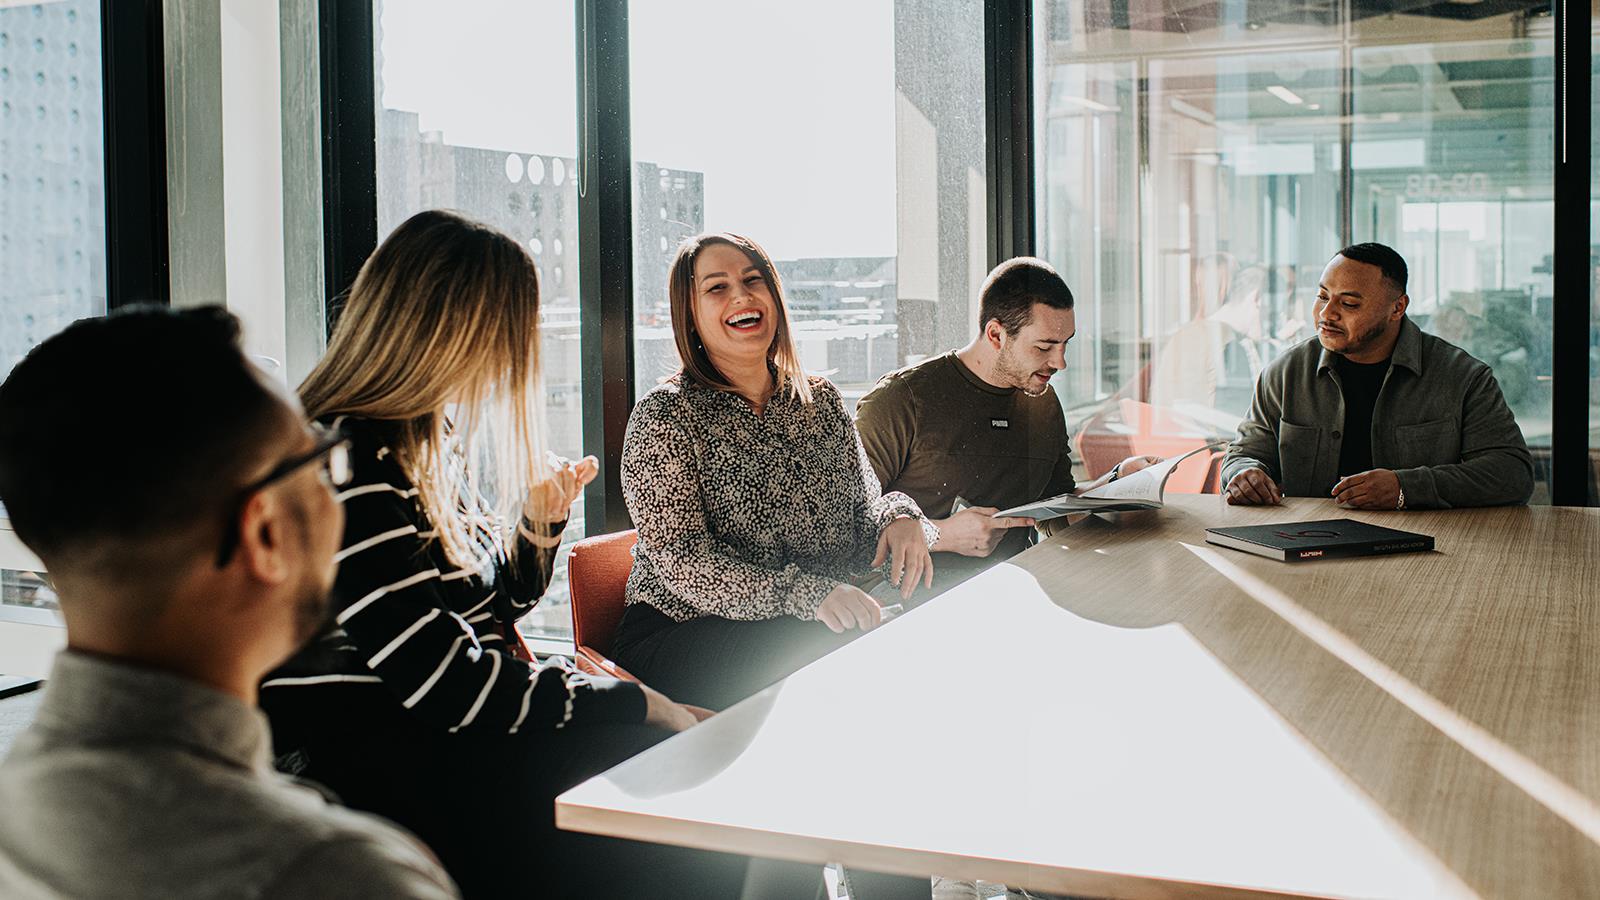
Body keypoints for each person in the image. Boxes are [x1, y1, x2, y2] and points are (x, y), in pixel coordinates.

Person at [258, 211, 745, 898]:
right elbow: (445, 681)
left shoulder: (419, 442)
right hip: (371, 751)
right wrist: (635, 702)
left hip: (428, 728)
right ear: (450, 328)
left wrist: (539, 526)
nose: (517, 354)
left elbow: (487, 610)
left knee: (683, 780)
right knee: (673, 787)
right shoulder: (350, 465)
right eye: (512, 329)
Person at [0, 307, 458, 899]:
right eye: (320, 464)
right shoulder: (339, 875)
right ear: (263, 533)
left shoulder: (17, 806)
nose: (336, 497)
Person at [610, 232, 937, 713]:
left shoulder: (819, 400)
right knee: (848, 661)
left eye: (752, 280)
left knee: (930, 625)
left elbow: (865, 511)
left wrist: (900, 516)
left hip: (805, 622)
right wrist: (808, 596)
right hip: (683, 631)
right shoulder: (665, 416)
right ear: (690, 316)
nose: (741, 296)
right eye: (717, 287)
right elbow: (682, 562)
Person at [853, 257, 1160, 589]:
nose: (1060, 362)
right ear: (996, 334)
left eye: (1065, 344)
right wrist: (942, 535)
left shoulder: (1043, 403)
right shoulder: (902, 399)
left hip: (1013, 589)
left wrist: (1117, 482)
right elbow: (843, 529)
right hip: (911, 600)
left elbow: (1055, 511)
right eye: (1044, 347)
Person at [1222, 242, 1534, 509]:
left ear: (1397, 308)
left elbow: (1512, 474)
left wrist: (1405, 488)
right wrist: (1245, 474)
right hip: (1306, 540)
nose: (1326, 314)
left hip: (1426, 543)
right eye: (1322, 296)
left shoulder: (1462, 377)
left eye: (1349, 303)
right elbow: (1244, 453)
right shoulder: (1285, 373)